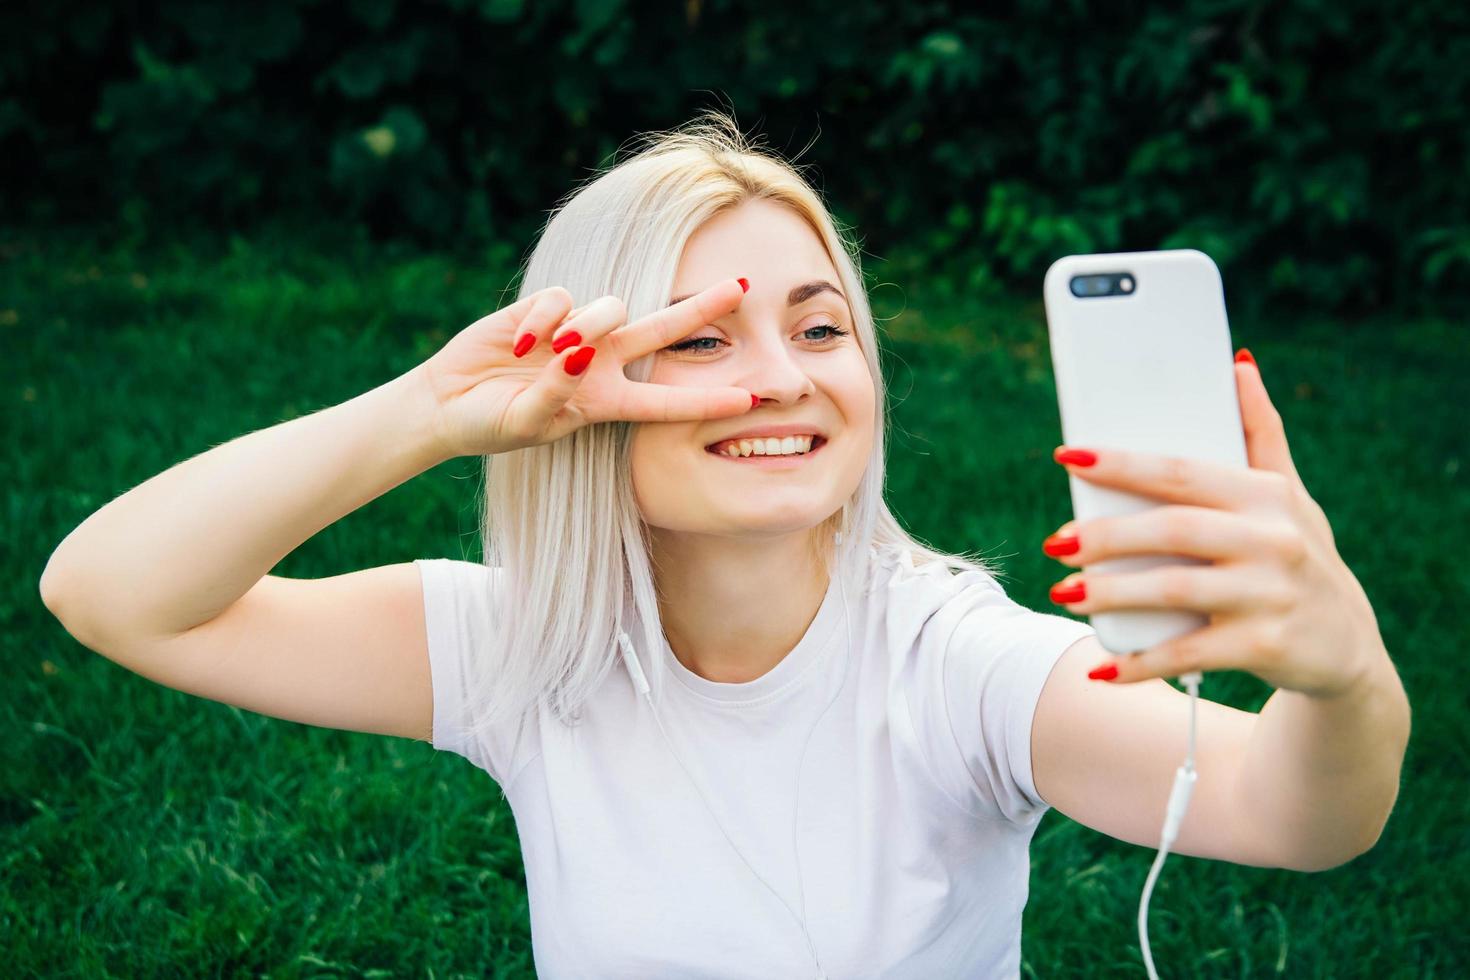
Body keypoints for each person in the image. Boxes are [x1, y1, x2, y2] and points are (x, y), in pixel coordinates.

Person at [39, 111, 1410, 978]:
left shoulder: (960, 665)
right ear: (583, 389)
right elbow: (112, 595)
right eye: (697, 338)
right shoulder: (524, 649)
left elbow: (1296, 819)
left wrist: (1340, 677)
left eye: (819, 328)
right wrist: (422, 416)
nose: (780, 377)